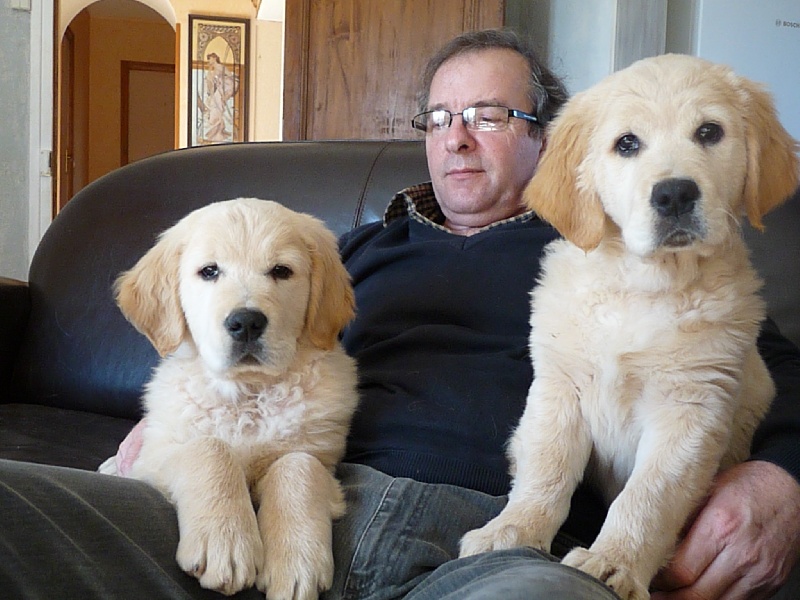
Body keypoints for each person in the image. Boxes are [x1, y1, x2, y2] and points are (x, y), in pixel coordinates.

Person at [2, 28, 800, 600]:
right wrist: (175, 432)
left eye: (490, 116)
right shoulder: (334, 250)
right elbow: (223, 321)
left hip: (486, 545)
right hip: (297, 502)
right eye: (441, 118)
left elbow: (753, 366)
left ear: (550, 144)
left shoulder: (621, 252)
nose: (457, 139)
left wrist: (782, 479)